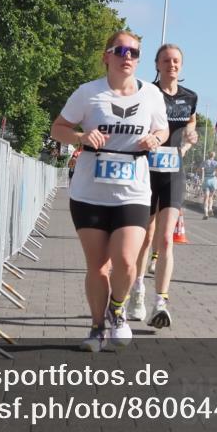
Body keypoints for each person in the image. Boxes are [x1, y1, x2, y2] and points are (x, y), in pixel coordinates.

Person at [51, 31, 169, 352]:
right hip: (90, 191)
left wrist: (156, 139)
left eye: (134, 52)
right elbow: (57, 128)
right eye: (120, 50)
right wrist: (81, 137)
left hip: (133, 190)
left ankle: (118, 309)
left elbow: (162, 127)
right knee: (98, 265)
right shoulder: (88, 93)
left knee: (128, 261)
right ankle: (96, 327)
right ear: (106, 56)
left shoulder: (151, 96)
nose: (127, 56)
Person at [127, 44, 198, 328]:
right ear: (157, 64)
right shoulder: (147, 92)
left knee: (166, 239)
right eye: (166, 60)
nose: (172, 64)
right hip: (147, 170)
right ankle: (137, 293)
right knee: (145, 237)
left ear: (182, 65)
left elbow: (190, 122)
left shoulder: (190, 97)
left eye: (176, 60)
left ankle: (161, 303)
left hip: (173, 170)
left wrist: (188, 141)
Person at [201, 151, 217, 219]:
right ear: (214, 156)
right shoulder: (216, 163)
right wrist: (216, 175)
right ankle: (210, 209)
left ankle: (205, 213)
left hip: (206, 180)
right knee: (211, 197)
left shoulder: (205, 162)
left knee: (206, 197)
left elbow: (199, 170)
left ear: (208, 155)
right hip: (213, 181)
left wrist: (202, 171)